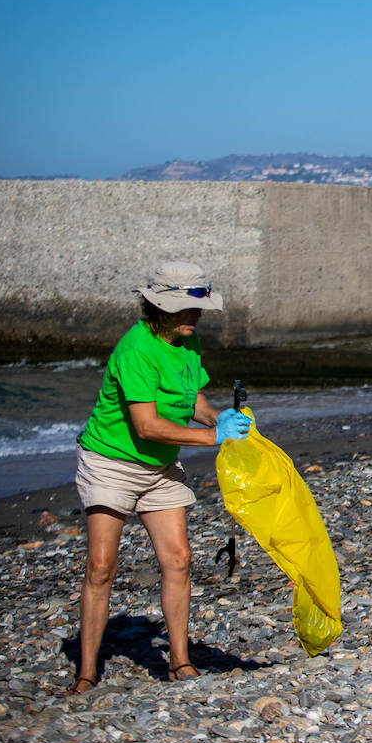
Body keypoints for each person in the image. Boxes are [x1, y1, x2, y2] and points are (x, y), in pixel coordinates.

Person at [67, 262, 252, 696]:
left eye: (198, 308)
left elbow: (194, 399)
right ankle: (86, 673)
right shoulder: (136, 349)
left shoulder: (188, 343)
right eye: (188, 308)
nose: (197, 315)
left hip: (160, 466)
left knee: (179, 560)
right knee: (100, 567)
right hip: (111, 461)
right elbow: (146, 425)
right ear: (160, 307)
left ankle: (180, 662)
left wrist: (219, 417)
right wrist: (212, 437)